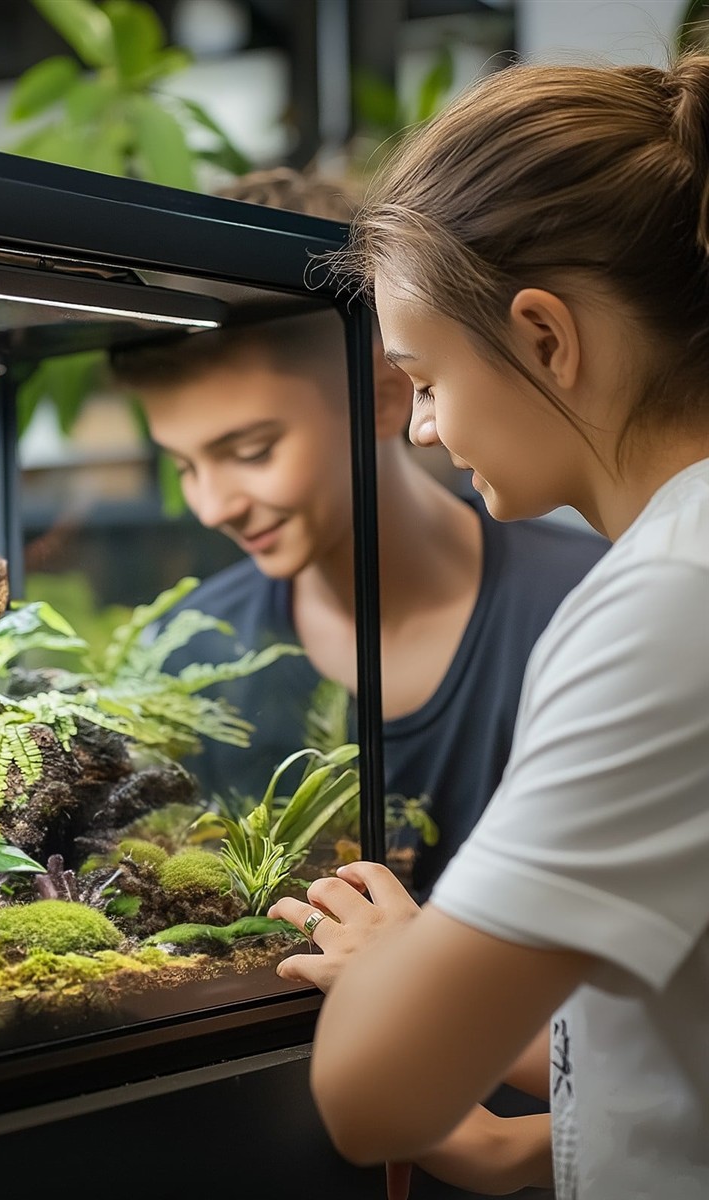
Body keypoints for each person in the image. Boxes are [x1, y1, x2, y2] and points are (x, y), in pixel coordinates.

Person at [271, 53, 709, 1199]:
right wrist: (522, 1146)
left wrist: (403, 972)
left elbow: (370, 1095)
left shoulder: (662, 607)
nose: (420, 428)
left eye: (425, 379)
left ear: (545, 338)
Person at [110, 168, 608, 902]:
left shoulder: (591, 604)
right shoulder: (191, 655)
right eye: (183, 465)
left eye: (252, 452)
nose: (212, 507)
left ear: (383, 396)